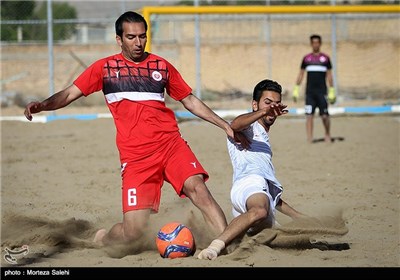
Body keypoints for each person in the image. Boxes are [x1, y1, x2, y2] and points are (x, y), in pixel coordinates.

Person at [24, 11, 233, 247]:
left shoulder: (160, 66)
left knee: (199, 190)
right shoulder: (105, 68)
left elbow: (190, 100)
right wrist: (43, 105)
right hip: (136, 157)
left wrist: (223, 124)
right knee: (132, 232)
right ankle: (102, 238)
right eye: (131, 37)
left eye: (142, 37)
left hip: (170, 144)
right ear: (119, 39)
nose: (138, 42)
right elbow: (69, 93)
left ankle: (226, 244)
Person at [197, 79, 306, 260]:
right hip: (248, 185)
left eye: (276, 103)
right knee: (260, 211)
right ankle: (214, 247)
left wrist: (301, 217)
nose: (272, 108)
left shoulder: (264, 141)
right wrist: (263, 112)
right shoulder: (249, 127)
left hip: (257, 195)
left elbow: (273, 197)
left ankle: (232, 239)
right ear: (255, 105)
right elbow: (235, 125)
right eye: (267, 102)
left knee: (294, 241)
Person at [292, 34, 336, 143]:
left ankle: (327, 133)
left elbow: (329, 75)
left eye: (317, 42)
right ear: (311, 44)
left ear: (320, 43)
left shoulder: (325, 59)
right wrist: (296, 89)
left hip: (322, 92)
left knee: (325, 116)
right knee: (309, 116)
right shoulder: (306, 59)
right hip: (310, 93)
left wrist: (332, 90)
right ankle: (310, 138)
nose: (315, 44)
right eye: (313, 42)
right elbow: (301, 74)